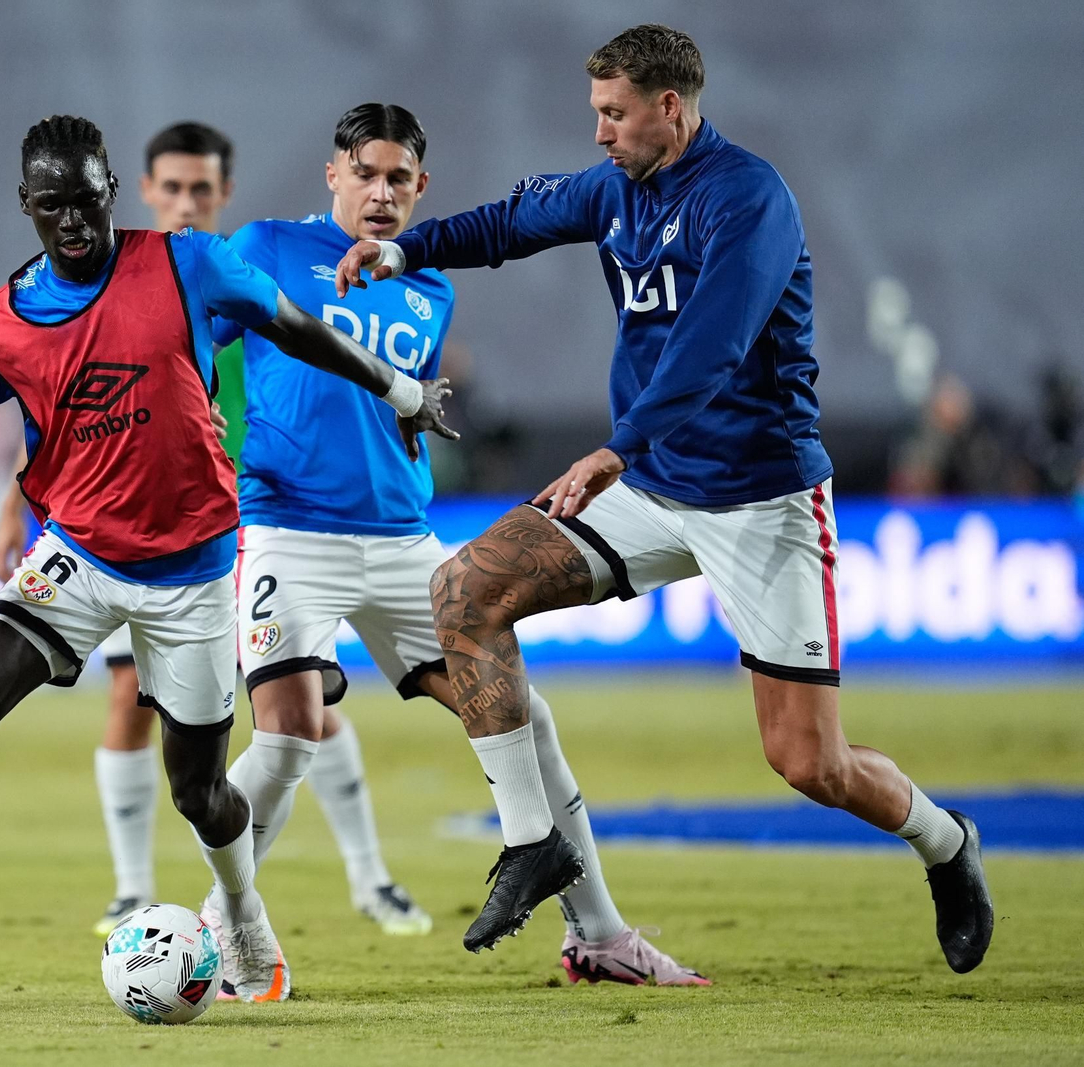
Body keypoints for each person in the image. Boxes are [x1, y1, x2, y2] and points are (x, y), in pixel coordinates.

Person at [335, 24, 995, 973]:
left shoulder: (749, 200)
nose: (599, 132)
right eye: (595, 112)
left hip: (759, 500)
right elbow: (508, 226)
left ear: (669, 108)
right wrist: (406, 253)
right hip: (651, 485)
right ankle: (533, 839)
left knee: (810, 763)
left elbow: (711, 351)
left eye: (613, 113)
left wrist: (614, 449)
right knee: (462, 593)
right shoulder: (614, 190)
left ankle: (946, 840)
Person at [0, 115, 453, 1002]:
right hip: (77, 555)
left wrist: (399, 387)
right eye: (52, 207)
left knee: (200, 793)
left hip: (194, 573)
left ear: (110, 190)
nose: (73, 222)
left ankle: (241, 911)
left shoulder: (188, 263)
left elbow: (297, 326)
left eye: (85, 200)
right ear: (26, 206)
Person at [210, 102, 702, 986]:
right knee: (288, 739)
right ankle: (222, 926)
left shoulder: (429, 285)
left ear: (422, 187)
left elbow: (396, 415)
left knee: (525, 715)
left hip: (403, 541)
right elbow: (200, 347)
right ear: (334, 174)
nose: (382, 192)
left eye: (400, 178)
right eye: (366, 172)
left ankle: (600, 934)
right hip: (287, 531)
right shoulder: (265, 247)